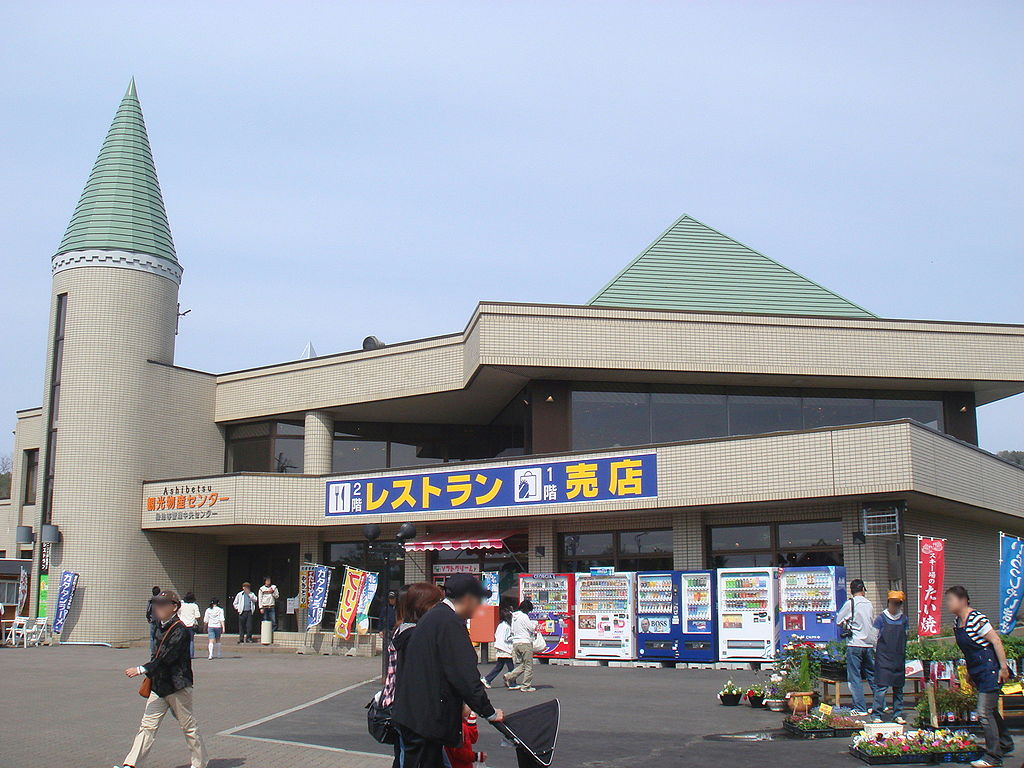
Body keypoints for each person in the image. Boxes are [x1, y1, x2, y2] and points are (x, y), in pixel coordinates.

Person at [393, 574, 504, 768]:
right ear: (468, 598)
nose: (480, 606)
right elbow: (465, 675)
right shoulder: (449, 622)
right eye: (479, 600)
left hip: (416, 714)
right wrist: (490, 712)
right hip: (425, 719)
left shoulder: (435, 617)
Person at [115, 590, 208, 768]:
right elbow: (156, 655)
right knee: (147, 726)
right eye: (156, 604)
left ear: (174, 607)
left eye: (162, 604)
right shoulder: (159, 626)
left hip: (177, 686)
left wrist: (142, 669)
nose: (158, 607)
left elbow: (167, 657)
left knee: (188, 727)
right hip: (158, 686)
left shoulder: (180, 630)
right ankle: (131, 764)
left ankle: (200, 763)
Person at [946, 585, 1013, 768]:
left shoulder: (978, 619)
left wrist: (1004, 668)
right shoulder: (957, 622)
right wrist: (968, 672)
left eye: (950, 600)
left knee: (983, 712)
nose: (948, 604)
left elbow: (996, 641)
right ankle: (1005, 743)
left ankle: (993, 757)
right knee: (990, 710)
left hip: (991, 669)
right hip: (977, 670)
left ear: (963, 600)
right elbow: (968, 650)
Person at [384, 582, 443, 768]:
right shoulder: (413, 635)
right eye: (436, 603)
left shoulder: (403, 630)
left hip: (401, 706)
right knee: (413, 757)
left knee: (405, 756)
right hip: (412, 711)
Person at [836, 579, 879, 717]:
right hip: (868, 644)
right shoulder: (869, 604)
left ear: (851, 590)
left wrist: (846, 623)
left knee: (855, 678)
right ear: (863, 590)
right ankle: (880, 705)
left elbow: (838, 620)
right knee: (872, 676)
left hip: (854, 644)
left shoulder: (850, 603)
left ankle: (860, 708)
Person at [872, 590, 909, 723]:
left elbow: (906, 636)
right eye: (893, 603)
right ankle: (876, 714)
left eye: (898, 603)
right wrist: (878, 652)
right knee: (881, 688)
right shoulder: (881, 619)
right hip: (883, 658)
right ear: (888, 602)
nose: (895, 606)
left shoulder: (904, 619)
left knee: (898, 688)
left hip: (898, 657)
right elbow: (874, 638)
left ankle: (897, 713)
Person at [504, 598, 539, 692]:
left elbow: (512, 630)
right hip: (525, 643)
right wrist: (535, 625)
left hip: (516, 643)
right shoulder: (524, 616)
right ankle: (526, 686)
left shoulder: (514, 616)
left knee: (524, 664)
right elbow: (531, 628)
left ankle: (509, 676)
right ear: (527, 609)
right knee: (529, 666)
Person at [482, 601, 514, 688]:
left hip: (499, 647)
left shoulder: (500, 625)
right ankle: (512, 683)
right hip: (505, 648)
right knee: (511, 668)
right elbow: (506, 638)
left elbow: (496, 635)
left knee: (499, 666)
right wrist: (514, 638)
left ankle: (487, 679)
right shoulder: (507, 627)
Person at [178, 592, 201, 659]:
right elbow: (198, 616)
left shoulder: (182, 605)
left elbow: (178, 613)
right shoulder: (194, 606)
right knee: (191, 640)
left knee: (182, 640)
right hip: (191, 625)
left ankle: (181, 654)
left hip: (182, 625)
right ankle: (191, 655)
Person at [146, 586, 162, 655]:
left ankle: (153, 651)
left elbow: (148, 610)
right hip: (160, 619)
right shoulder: (162, 600)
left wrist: (148, 617)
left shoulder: (151, 600)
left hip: (153, 619)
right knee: (159, 635)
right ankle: (158, 650)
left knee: (152, 636)